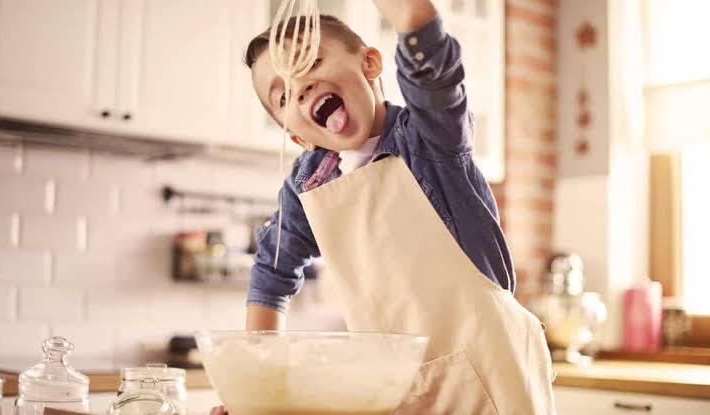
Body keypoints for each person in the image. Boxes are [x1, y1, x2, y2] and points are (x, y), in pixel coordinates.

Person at [214, 1, 556, 413]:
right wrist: (257, 385)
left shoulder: (432, 138)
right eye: (283, 94)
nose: (299, 86)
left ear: (371, 63)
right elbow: (272, 273)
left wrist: (414, 22)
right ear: (298, 138)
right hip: (396, 383)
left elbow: (423, 38)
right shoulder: (306, 185)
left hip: (495, 369)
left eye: (310, 61)